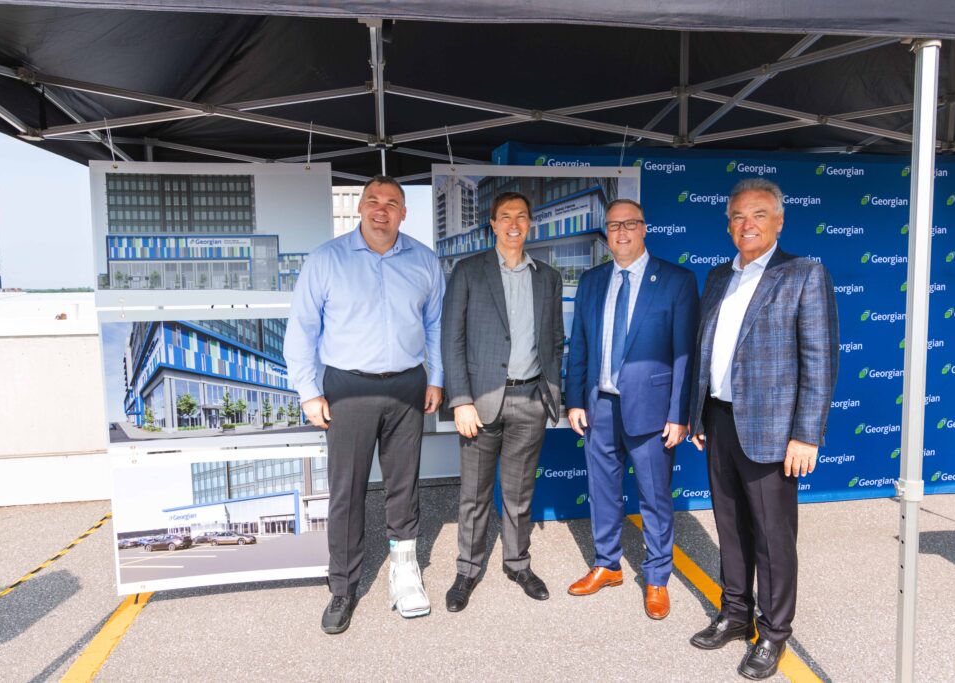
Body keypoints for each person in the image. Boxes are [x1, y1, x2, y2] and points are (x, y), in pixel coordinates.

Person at [688, 178, 839, 680]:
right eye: (736, 216)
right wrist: (697, 414)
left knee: (773, 538)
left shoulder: (803, 273)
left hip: (775, 430)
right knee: (729, 527)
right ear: (727, 224)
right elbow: (705, 353)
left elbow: (819, 360)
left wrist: (807, 434)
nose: (745, 224)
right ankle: (735, 614)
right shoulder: (716, 278)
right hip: (719, 420)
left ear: (779, 221)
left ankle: (773, 632)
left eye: (756, 215)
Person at [283, 175, 444, 635]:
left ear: (404, 213)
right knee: (347, 491)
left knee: (404, 486)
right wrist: (309, 392)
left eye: (392, 203)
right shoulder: (326, 260)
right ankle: (343, 586)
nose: (381, 209)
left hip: (408, 387)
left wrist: (436, 378)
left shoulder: (424, 260)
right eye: (373, 201)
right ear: (359, 207)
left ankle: (405, 573)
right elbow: (301, 331)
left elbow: (434, 325)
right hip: (346, 388)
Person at [565, 198, 698, 620]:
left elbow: (685, 354)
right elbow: (579, 346)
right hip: (599, 404)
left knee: (655, 496)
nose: (620, 232)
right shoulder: (592, 281)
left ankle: (657, 576)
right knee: (603, 490)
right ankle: (607, 564)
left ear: (645, 228)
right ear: (606, 234)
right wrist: (573, 400)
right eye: (613, 226)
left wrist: (680, 413)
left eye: (629, 224)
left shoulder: (675, 280)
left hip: (654, 409)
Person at [440, 191, 564, 612]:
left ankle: (517, 563)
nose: (514, 223)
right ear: (492, 225)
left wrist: (553, 393)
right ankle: (467, 570)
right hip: (480, 403)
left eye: (521, 216)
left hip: (530, 398)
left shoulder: (547, 277)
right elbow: (451, 339)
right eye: (505, 217)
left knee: (519, 491)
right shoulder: (469, 271)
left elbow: (555, 342)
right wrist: (460, 400)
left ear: (530, 224)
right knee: (474, 494)